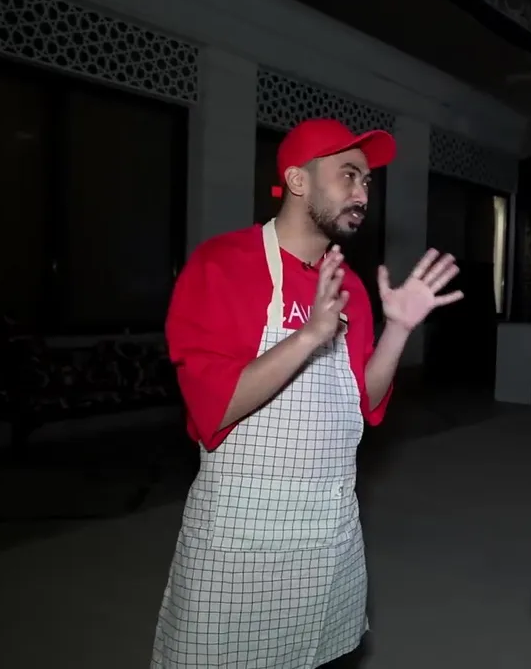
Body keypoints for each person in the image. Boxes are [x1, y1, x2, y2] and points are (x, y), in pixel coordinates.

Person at [151, 118, 464, 669]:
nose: (362, 193)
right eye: (348, 175)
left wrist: (398, 329)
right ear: (298, 181)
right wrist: (310, 335)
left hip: (327, 533)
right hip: (239, 537)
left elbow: (363, 402)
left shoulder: (350, 287)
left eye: (366, 181)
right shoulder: (221, 265)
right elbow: (214, 408)